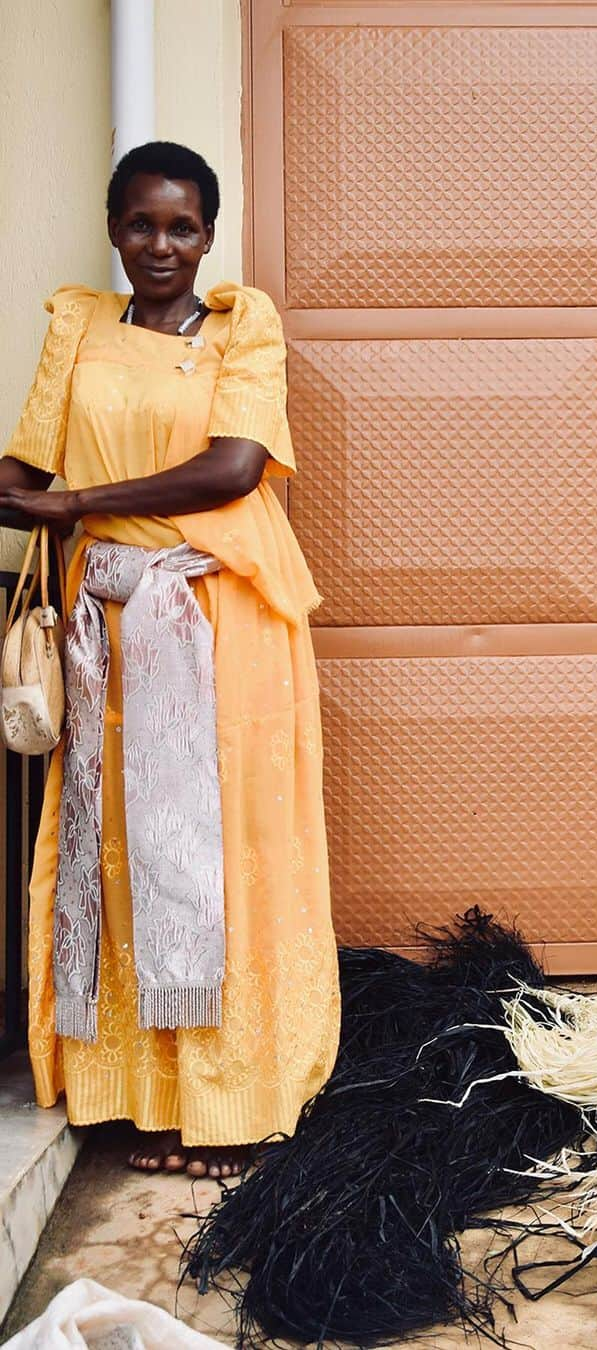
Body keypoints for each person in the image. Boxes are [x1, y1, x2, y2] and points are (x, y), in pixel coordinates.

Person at [0, 141, 340, 1178]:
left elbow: (233, 468)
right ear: (114, 229)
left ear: (208, 234)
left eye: (182, 226)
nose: (162, 245)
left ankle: (230, 1105)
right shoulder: (82, 327)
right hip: (105, 623)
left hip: (220, 620)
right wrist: (43, 502)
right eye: (142, 224)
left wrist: (78, 507)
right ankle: (139, 1097)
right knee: (117, 842)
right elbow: (24, 465)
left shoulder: (244, 327)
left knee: (218, 848)